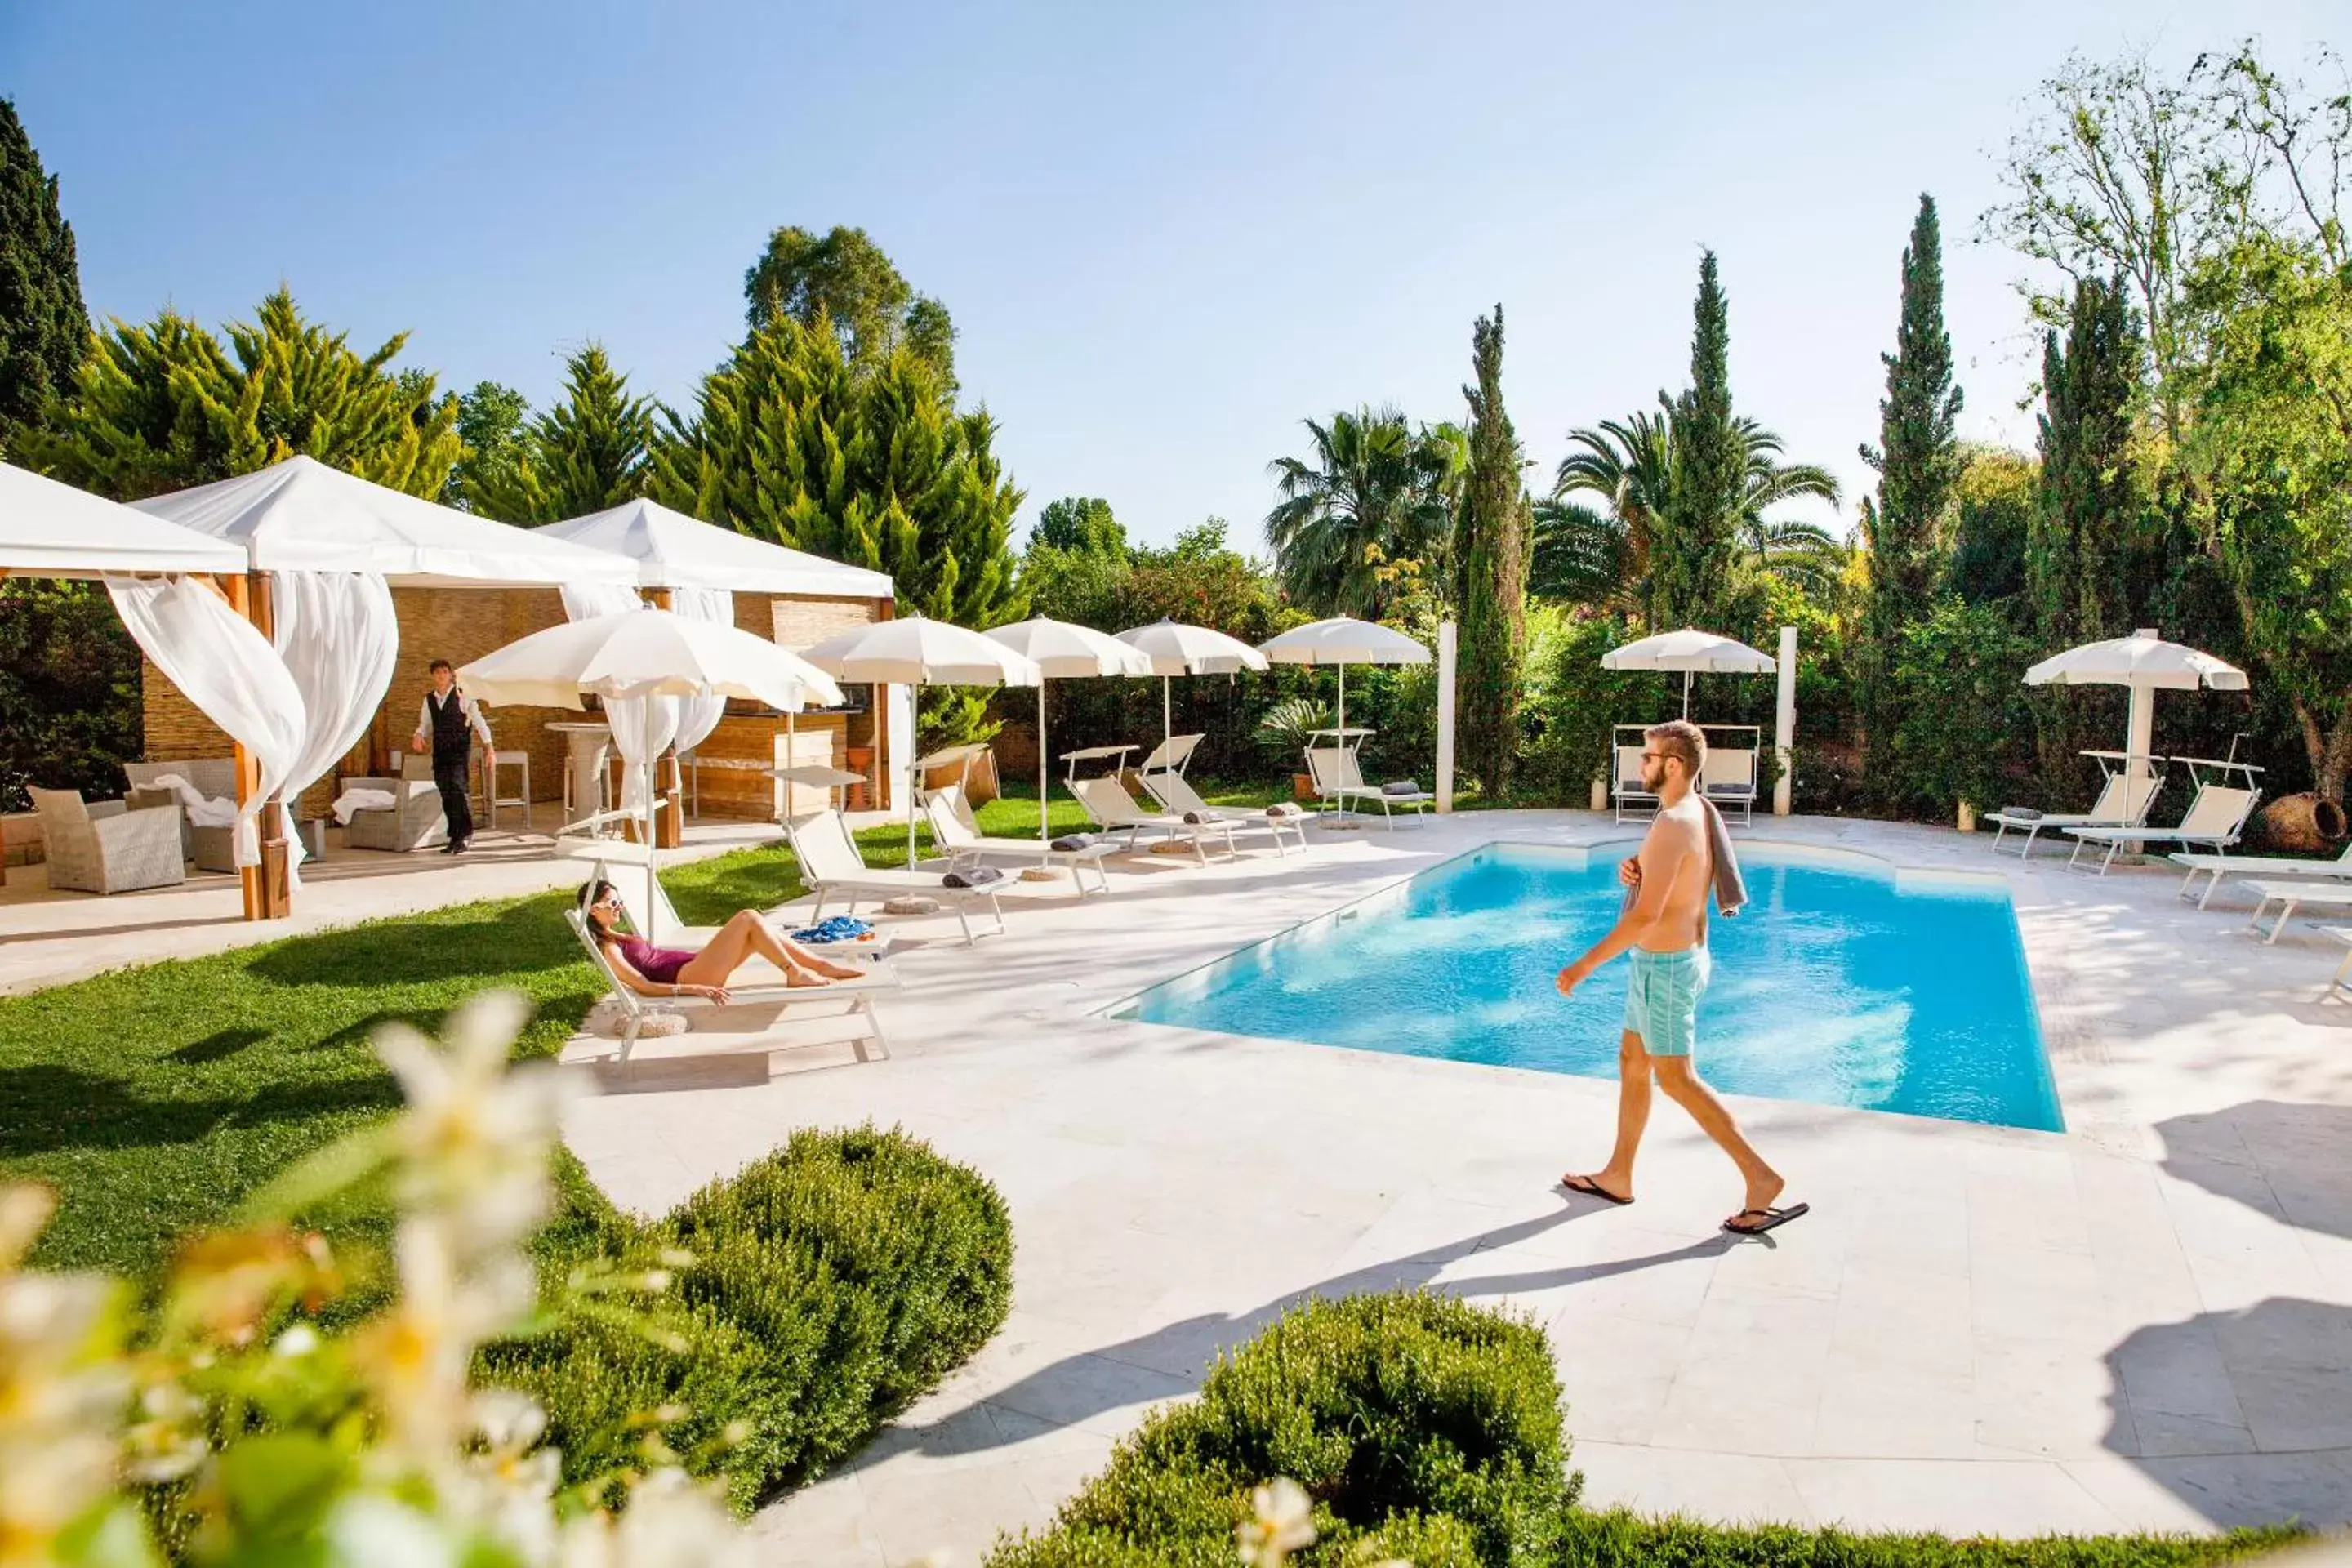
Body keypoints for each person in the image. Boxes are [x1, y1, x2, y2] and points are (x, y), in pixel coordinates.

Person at [1555, 719, 1806, 1236]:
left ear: (1672, 765)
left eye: (1647, 758)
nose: (1640, 765)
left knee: (1677, 1079)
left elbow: (1646, 917)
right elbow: (1673, 880)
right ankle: (1619, 1174)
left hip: (1665, 971)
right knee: (1632, 1060)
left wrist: (1583, 965)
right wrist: (1639, 866)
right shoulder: (1687, 813)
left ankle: (1761, 1178)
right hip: (1664, 964)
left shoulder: (1675, 822)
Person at [577, 879, 867, 999]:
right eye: (613, 904)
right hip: (689, 975)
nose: (620, 908)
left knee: (758, 932)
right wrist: (695, 989)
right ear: (594, 909)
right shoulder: (610, 948)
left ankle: (821, 966)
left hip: (696, 965)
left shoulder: (619, 935)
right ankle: (795, 973)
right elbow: (644, 986)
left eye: (619, 902)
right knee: (748, 917)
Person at [412, 659, 492, 854]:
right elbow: (426, 723)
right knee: (446, 794)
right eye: (437, 672)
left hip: (458, 751)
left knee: (458, 789)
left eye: (445, 672)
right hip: (440, 752)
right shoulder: (429, 699)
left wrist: (490, 748)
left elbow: (479, 722)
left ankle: (465, 835)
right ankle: (455, 837)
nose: (441, 675)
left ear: (451, 675)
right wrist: (419, 734)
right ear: (432, 676)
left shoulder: (463, 695)